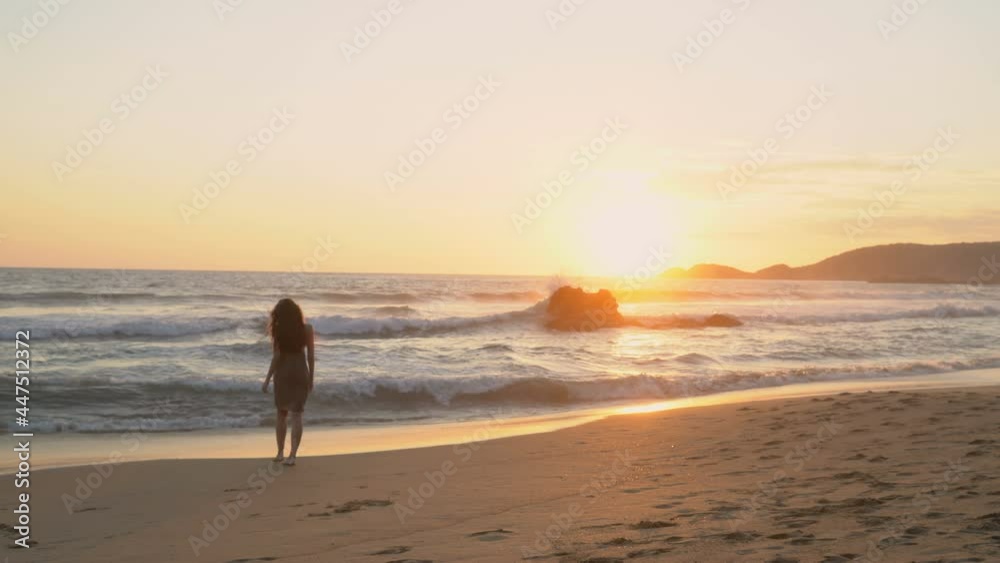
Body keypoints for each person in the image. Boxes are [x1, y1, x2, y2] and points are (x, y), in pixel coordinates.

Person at [261, 298, 314, 466]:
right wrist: (311, 378)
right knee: (297, 415)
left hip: (283, 374)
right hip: (300, 373)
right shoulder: (307, 329)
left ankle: (279, 453)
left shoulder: (279, 331)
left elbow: (276, 357)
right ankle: (292, 456)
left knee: (281, 414)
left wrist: (267, 379)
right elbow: (311, 356)